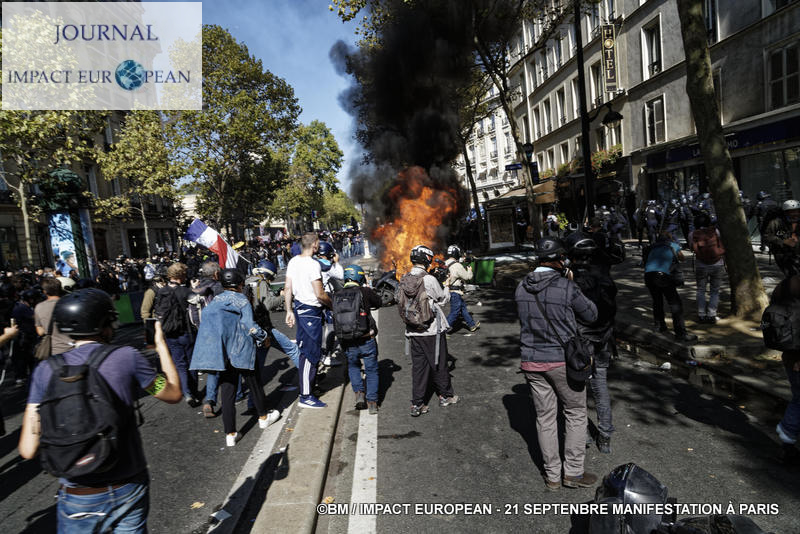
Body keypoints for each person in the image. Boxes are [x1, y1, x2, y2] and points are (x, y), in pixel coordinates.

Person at [18, 288, 183, 533]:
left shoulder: (46, 370)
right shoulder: (126, 357)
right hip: (126, 483)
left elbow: (28, 449)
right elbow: (173, 394)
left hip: (76, 491)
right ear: (106, 323)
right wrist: (160, 346)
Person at [515, 237, 598, 490]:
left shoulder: (520, 287)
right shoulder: (566, 286)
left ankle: (552, 476)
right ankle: (572, 473)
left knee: (545, 418)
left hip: (531, 361)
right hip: (562, 361)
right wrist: (573, 286)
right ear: (560, 260)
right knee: (574, 413)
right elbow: (592, 315)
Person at [190, 269, 280, 446]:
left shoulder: (215, 301)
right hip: (241, 348)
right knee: (254, 383)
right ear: (239, 283)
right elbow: (249, 325)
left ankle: (230, 434)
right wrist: (264, 336)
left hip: (223, 353)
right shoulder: (241, 300)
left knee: (227, 391)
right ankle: (263, 417)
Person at [565, 233, 617, 454]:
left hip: (581, 340)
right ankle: (605, 436)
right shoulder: (604, 274)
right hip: (604, 337)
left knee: (577, 388)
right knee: (601, 386)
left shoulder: (570, 278)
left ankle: (584, 434)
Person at [399, 245, 458, 417]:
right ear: (427, 259)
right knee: (439, 363)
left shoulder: (404, 278)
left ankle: (417, 404)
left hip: (412, 331)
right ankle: (446, 396)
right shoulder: (429, 279)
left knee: (419, 368)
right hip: (432, 330)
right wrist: (446, 285)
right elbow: (442, 298)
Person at [284, 232, 332, 409]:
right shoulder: (313, 265)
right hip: (311, 310)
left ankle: (310, 388)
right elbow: (319, 294)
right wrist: (332, 305)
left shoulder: (293, 261)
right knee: (310, 353)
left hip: (299, 307)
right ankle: (305, 395)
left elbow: (288, 287)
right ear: (315, 245)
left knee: (309, 350)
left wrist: (289, 310)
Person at [334, 264, 382, 414]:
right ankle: (372, 402)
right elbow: (379, 302)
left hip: (347, 340)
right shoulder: (365, 291)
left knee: (353, 366)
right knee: (372, 370)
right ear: (360, 277)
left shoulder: (337, 294)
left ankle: (359, 394)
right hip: (366, 338)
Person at [154, 262, 199, 406]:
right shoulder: (185, 291)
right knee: (191, 363)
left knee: (180, 364)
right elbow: (196, 302)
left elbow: (158, 312)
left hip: (170, 332)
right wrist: (194, 288)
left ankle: (186, 392)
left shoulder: (162, 291)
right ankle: (194, 392)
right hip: (186, 331)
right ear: (181, 276)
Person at [644, 230, 698, 342]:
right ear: (670, 238)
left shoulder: (652, 246)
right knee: (675, 304)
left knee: (657, 301)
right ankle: (680, 333)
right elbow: (682, 258)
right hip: (663, 276)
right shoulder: (673, 245)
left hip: (649, 275)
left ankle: (659, 326)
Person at [769, 275, 800, 465]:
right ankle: (787, 439)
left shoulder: (787, 283)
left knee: (798, 398)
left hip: (790, 356)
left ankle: (787, 443)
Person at [689, 213, 726, 323]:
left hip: (701, 265)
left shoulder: (692, 234)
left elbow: (692, 247)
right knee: (714, 291)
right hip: (717, 264)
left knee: (701, 290)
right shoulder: (715, 231)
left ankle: (701, 315)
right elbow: (720, 244)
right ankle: (711, 315)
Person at [33, 277, 73, 357]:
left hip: (55, 351)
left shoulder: (39, 307)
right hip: (74, 348)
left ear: (45, 292)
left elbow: (40, 332)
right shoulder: (70, 303)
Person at [444, 245, 479, 333]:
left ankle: (472, 325)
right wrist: (469, 269)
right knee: (455, 312)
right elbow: (467, 277)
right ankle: (443, 329)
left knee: (463, 308)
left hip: (448, 290)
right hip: (455, 292)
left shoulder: (446, 263)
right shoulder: (457, 265)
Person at [763, 200, 800, 278]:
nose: (795, 214)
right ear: (786, 212)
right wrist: (783, 242)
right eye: (792, 212)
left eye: (797, 211)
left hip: (797, 253)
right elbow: (766, 237)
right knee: (793, 276)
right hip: (782, 254)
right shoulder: (776, 222)